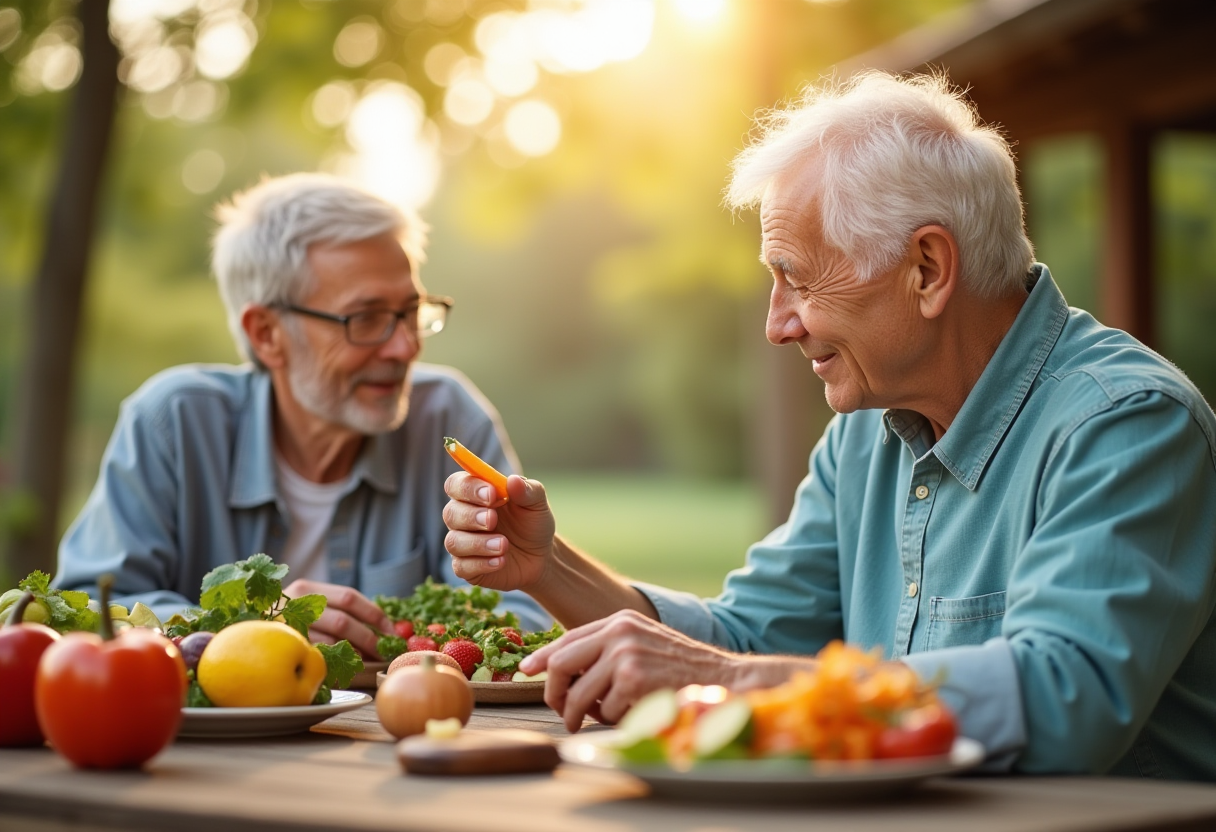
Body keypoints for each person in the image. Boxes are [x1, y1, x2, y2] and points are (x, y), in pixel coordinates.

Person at [441, 72, 1216, 779]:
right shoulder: (865, 429)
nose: (778, 325)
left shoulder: (1126, 425)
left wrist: (730, 682)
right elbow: (745, 641)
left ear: (927, 270)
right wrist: (547, 567)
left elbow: (1064, 698)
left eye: (798, 278)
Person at [55, 173, 548, 658]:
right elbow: (89, 611)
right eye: (367, 318)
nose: (406, 346)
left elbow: (519, 614)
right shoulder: (173, 424)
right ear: (267, 333)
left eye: (411, 310)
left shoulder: (448, 418)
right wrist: (261, 629)